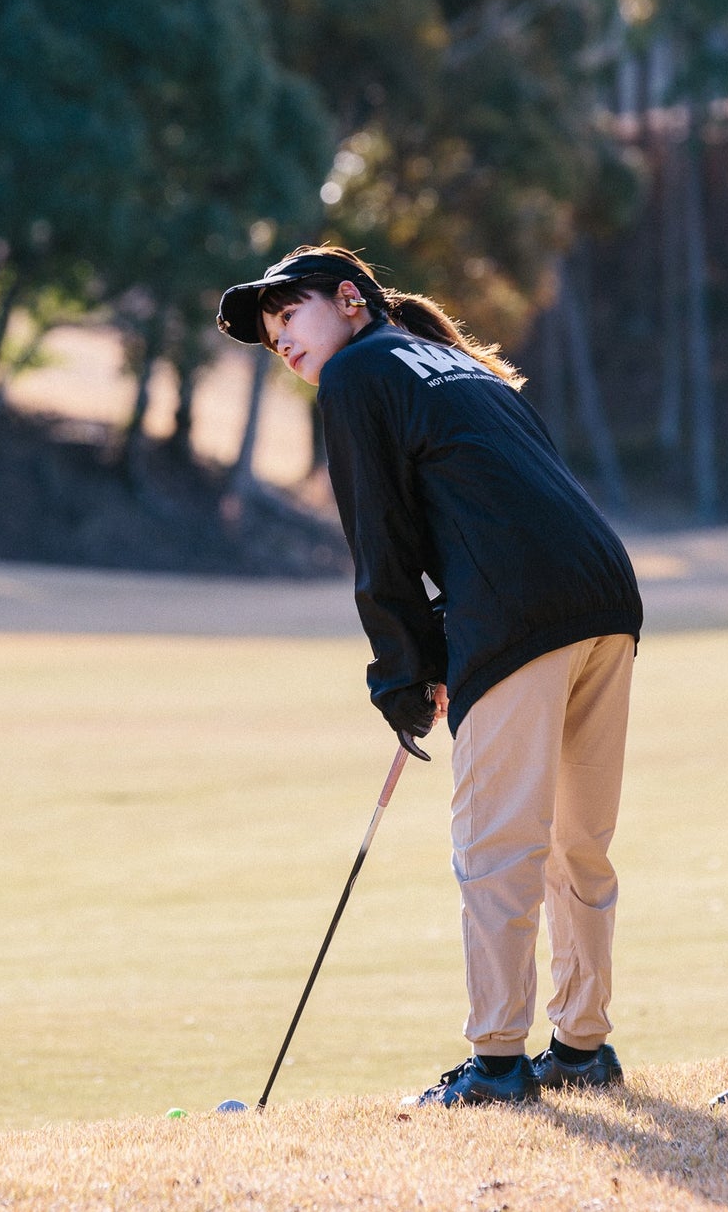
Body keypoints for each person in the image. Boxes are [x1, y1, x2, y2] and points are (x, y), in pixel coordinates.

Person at [216, 245, 643, 1107]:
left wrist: (401, 674)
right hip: (603, 595)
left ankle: (495, 1063)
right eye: (268, 338)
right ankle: (582, 1047)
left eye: (287, 316)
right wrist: (439, 635)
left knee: (495, 849)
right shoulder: (456, 363)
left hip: (520, 609)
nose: (283, 344)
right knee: (575, 842)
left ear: (348, 300)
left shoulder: (357, 374)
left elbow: (379, 537)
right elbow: (490, 496)